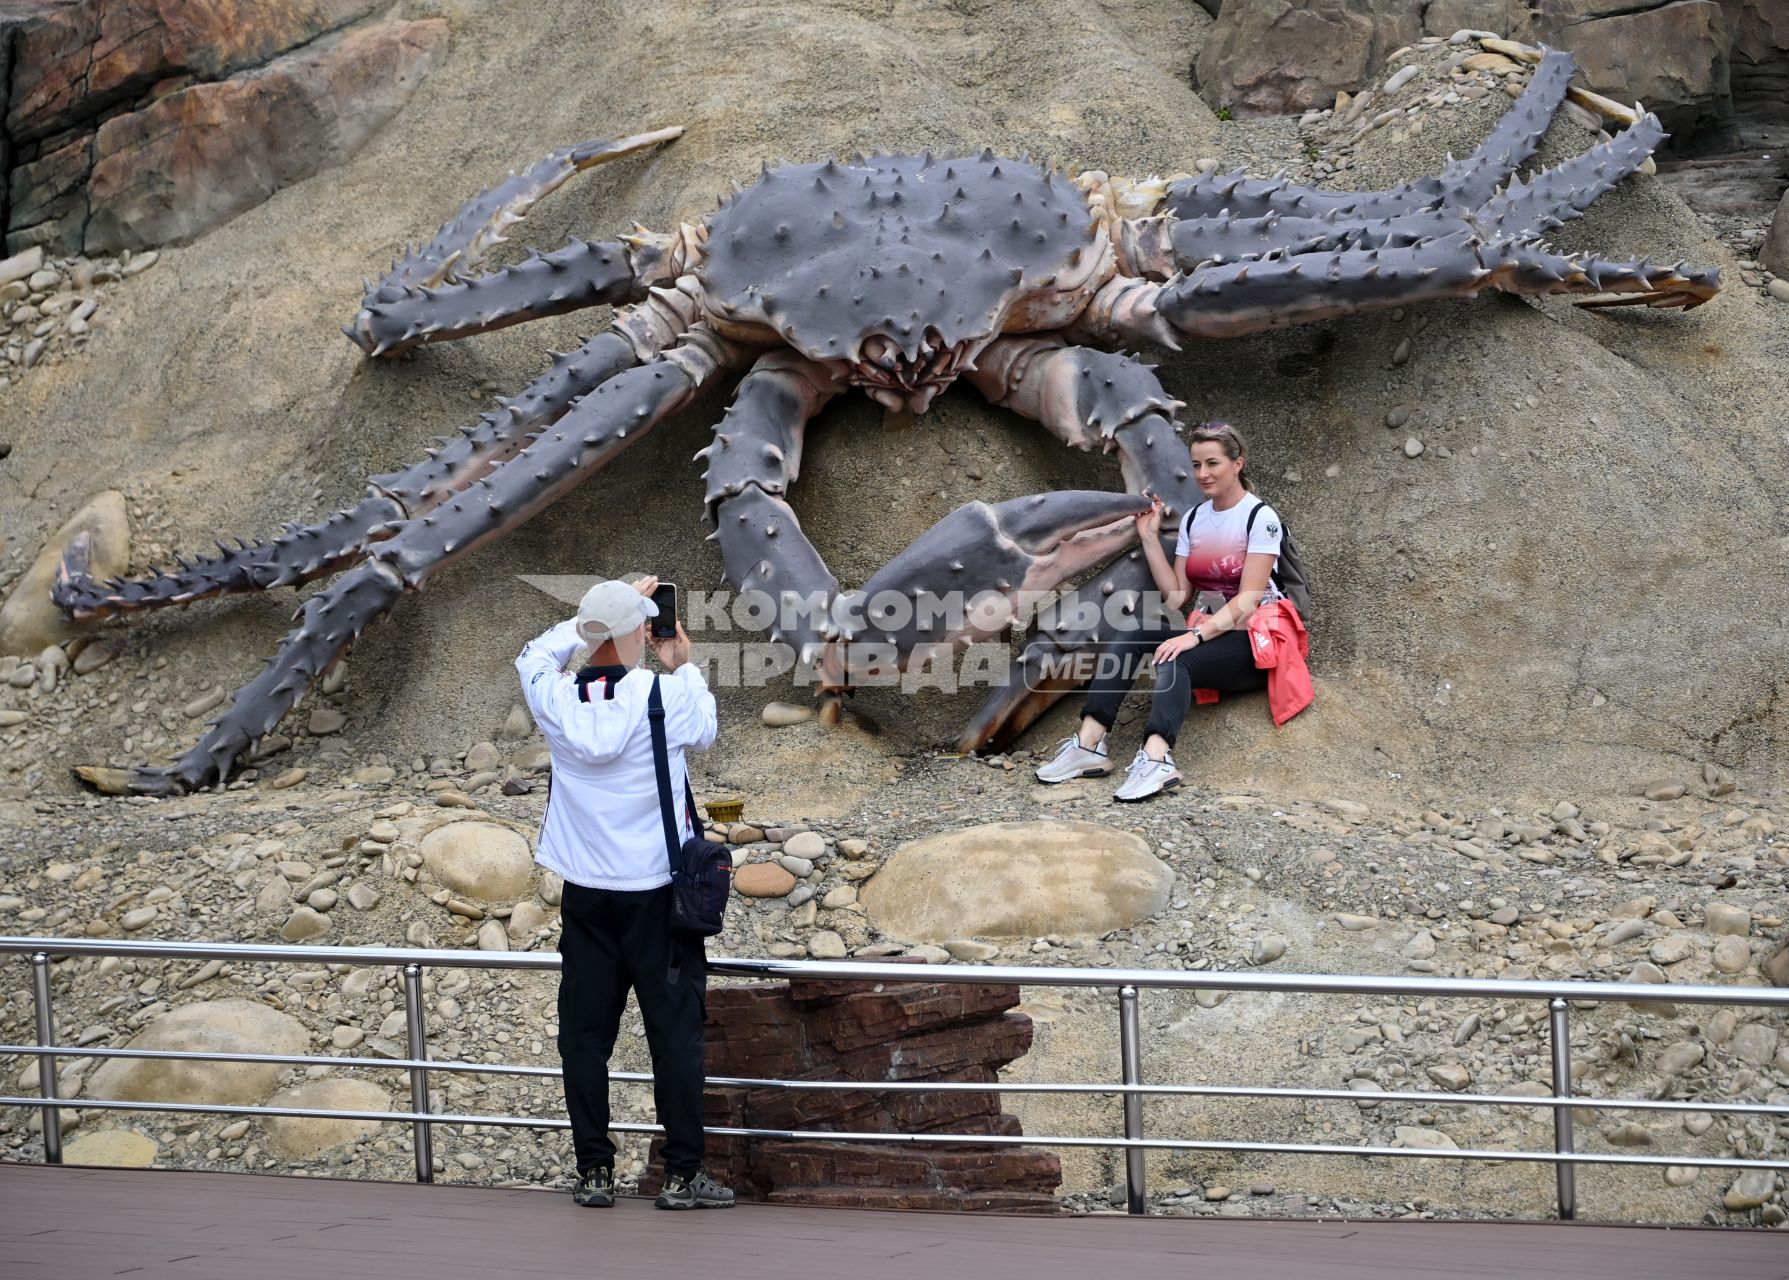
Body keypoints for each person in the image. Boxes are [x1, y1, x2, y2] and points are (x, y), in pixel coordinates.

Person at [515, 574, 733, 1211]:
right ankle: (682, 1175)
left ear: (590, 636)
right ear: (641, 630)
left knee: (585, 1037)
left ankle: (594, 1172)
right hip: (658, 895)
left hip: (586, 893)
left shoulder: (554, 698)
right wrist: (684, 664)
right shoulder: (665, 696)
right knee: (675, 1037)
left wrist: (587, 620)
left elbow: (532, 655)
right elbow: (707, 730)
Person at [1035, 422, 1304, 801]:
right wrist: (1148, 536)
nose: (1202, 474)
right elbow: (1177, 596)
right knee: (1132, 633)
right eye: (1196, 465)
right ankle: (1089, 744)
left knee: (1176, 659)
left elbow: (1248, 599)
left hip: (1256, 641)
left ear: (1237, 464)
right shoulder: (1196, 519)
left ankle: (1158, 759)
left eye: (1213, 463)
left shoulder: (1259, 518)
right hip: (1214, 632)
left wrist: (1192, 636)